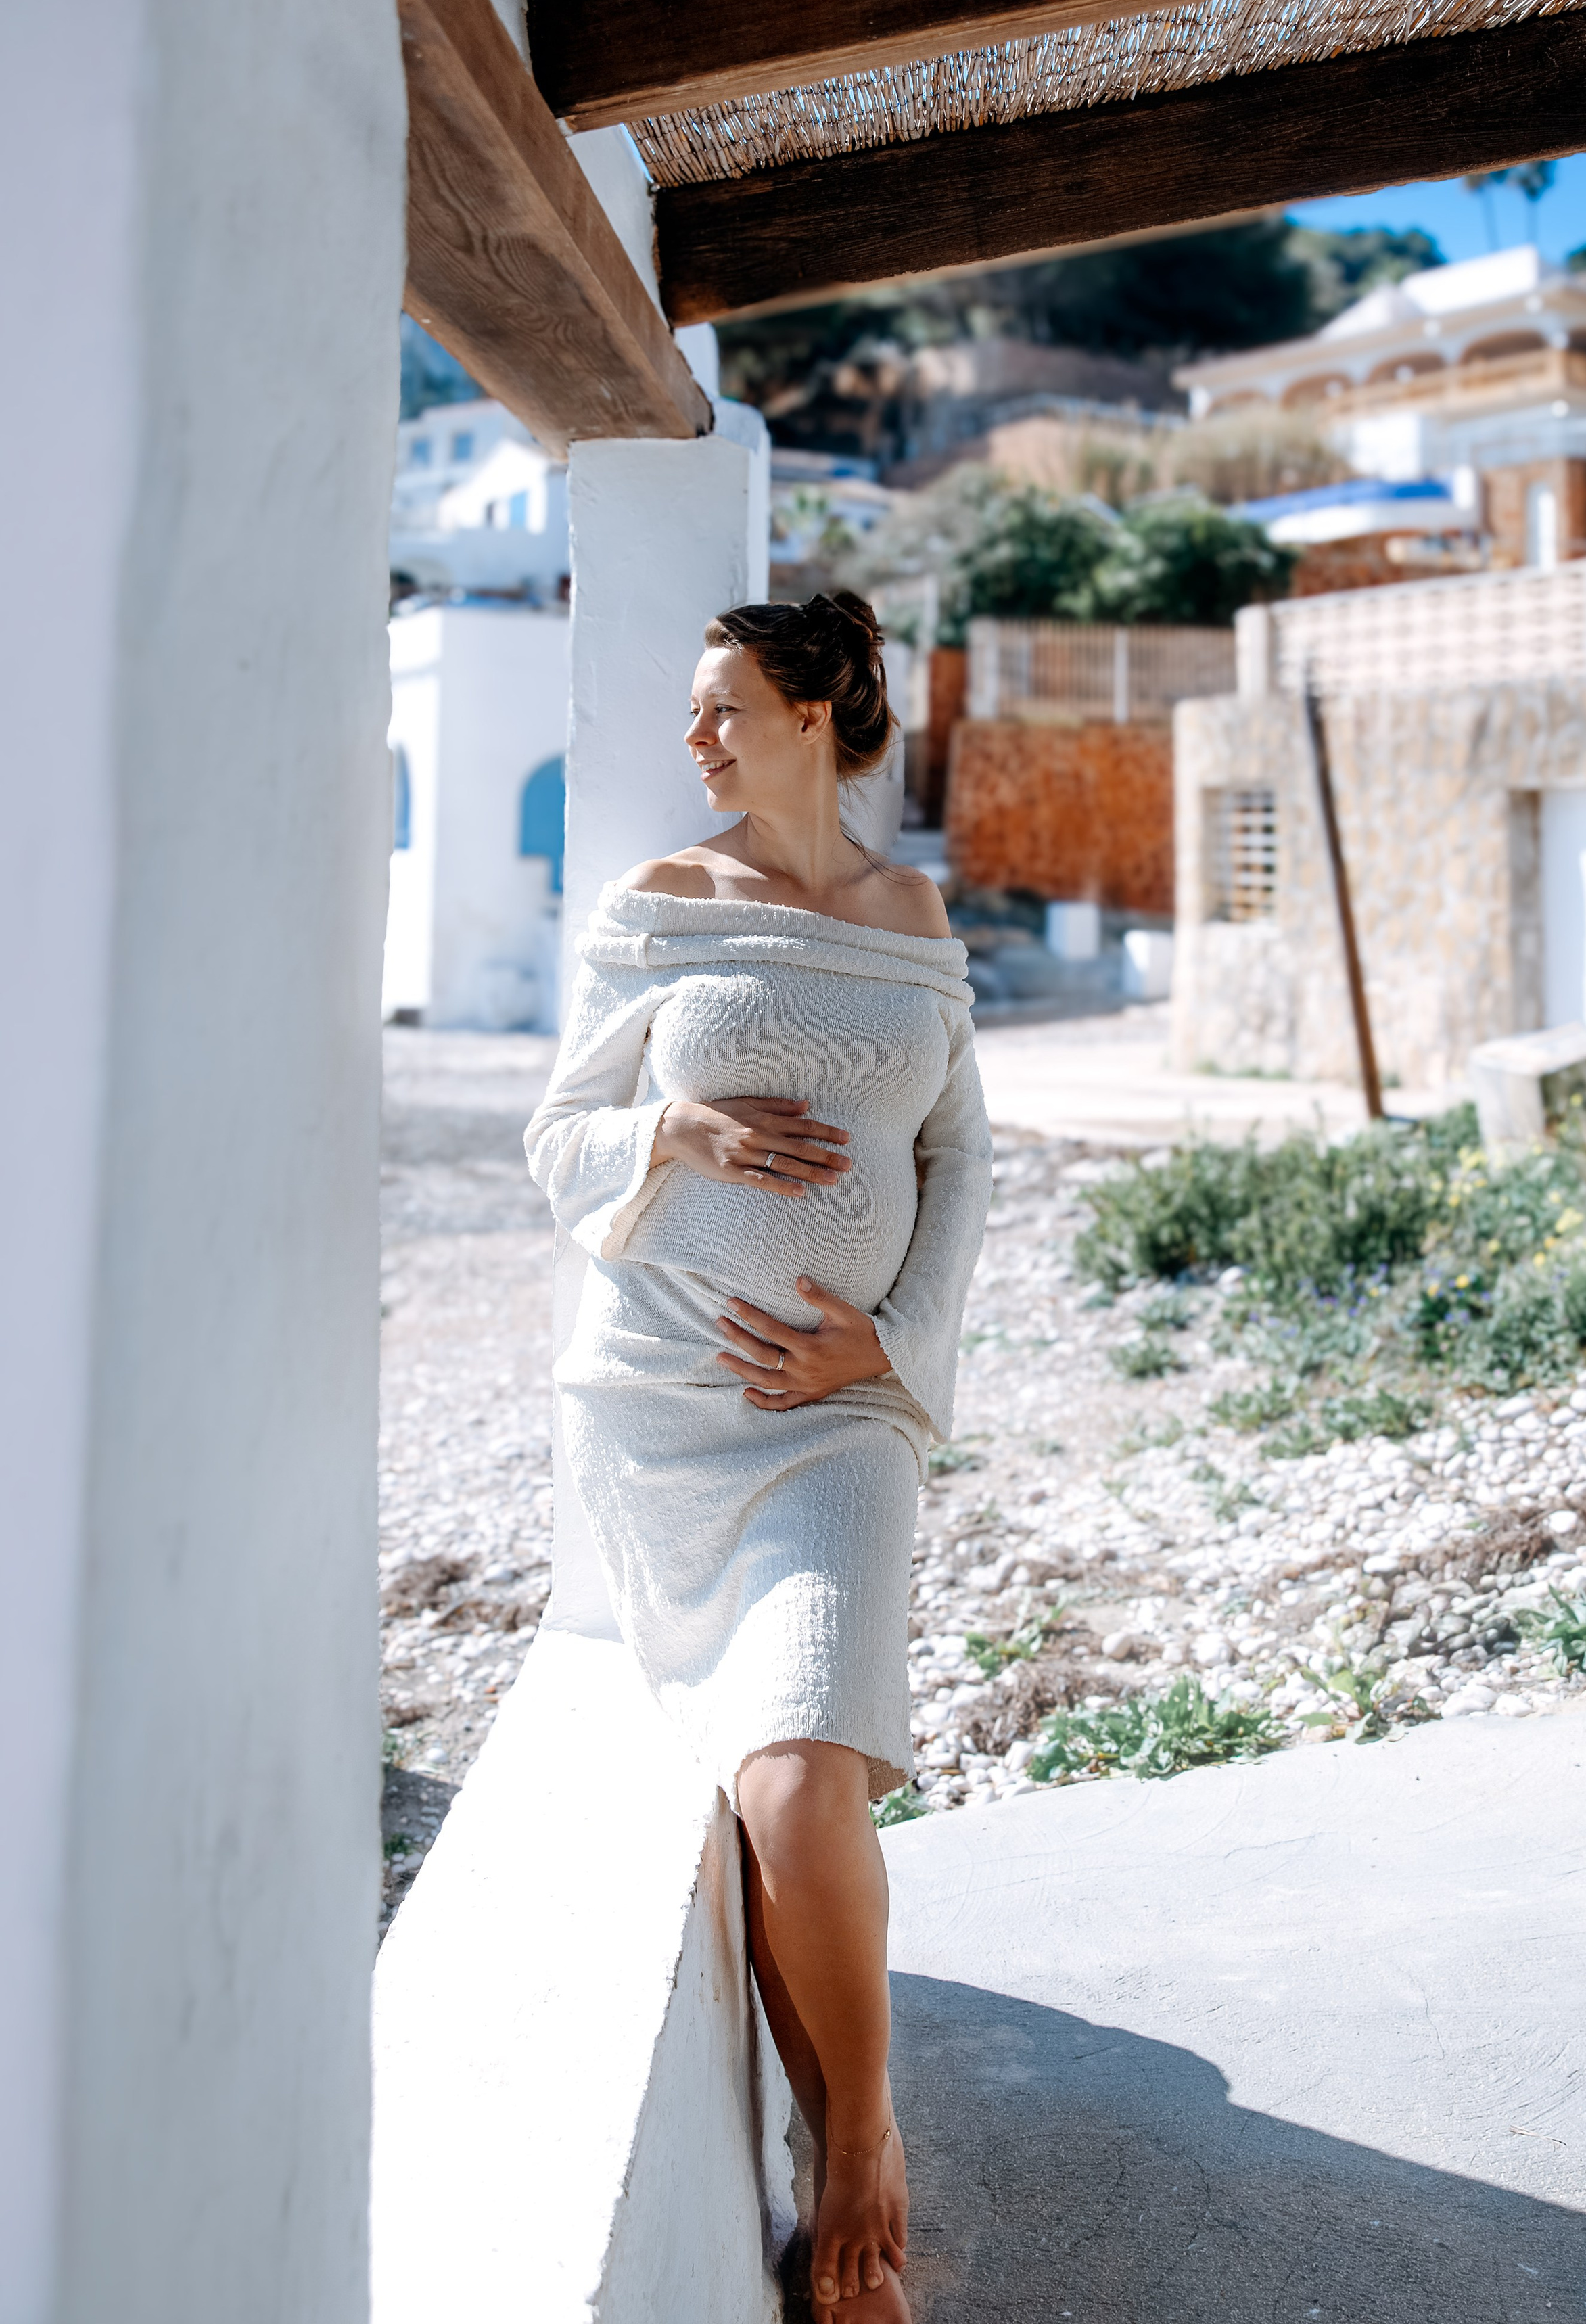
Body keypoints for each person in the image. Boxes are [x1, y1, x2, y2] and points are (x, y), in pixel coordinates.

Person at [524, 591, 992, 2320]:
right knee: (771, 1800)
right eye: (691, 708)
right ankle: (842, 2185)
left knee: (797, 1780)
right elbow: (556, 1131)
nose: (697, 737)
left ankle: (858, 2149)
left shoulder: (909, 912)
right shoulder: (663, 906)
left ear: (816, 714)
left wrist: (896, 1339)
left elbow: (962, 1158)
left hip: (842, 1427)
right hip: (670, 1414)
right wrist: (677, 1125)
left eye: (725, 706)